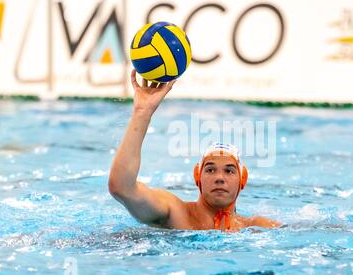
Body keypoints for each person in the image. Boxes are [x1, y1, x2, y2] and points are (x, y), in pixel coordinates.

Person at [108, 70, 281, 232]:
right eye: (210, 169)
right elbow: (122, 188)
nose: (219, 178)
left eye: (229, 171)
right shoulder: (175, 213)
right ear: (197, 176)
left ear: (243, 179)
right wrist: (142, 113)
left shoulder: (257, 228)